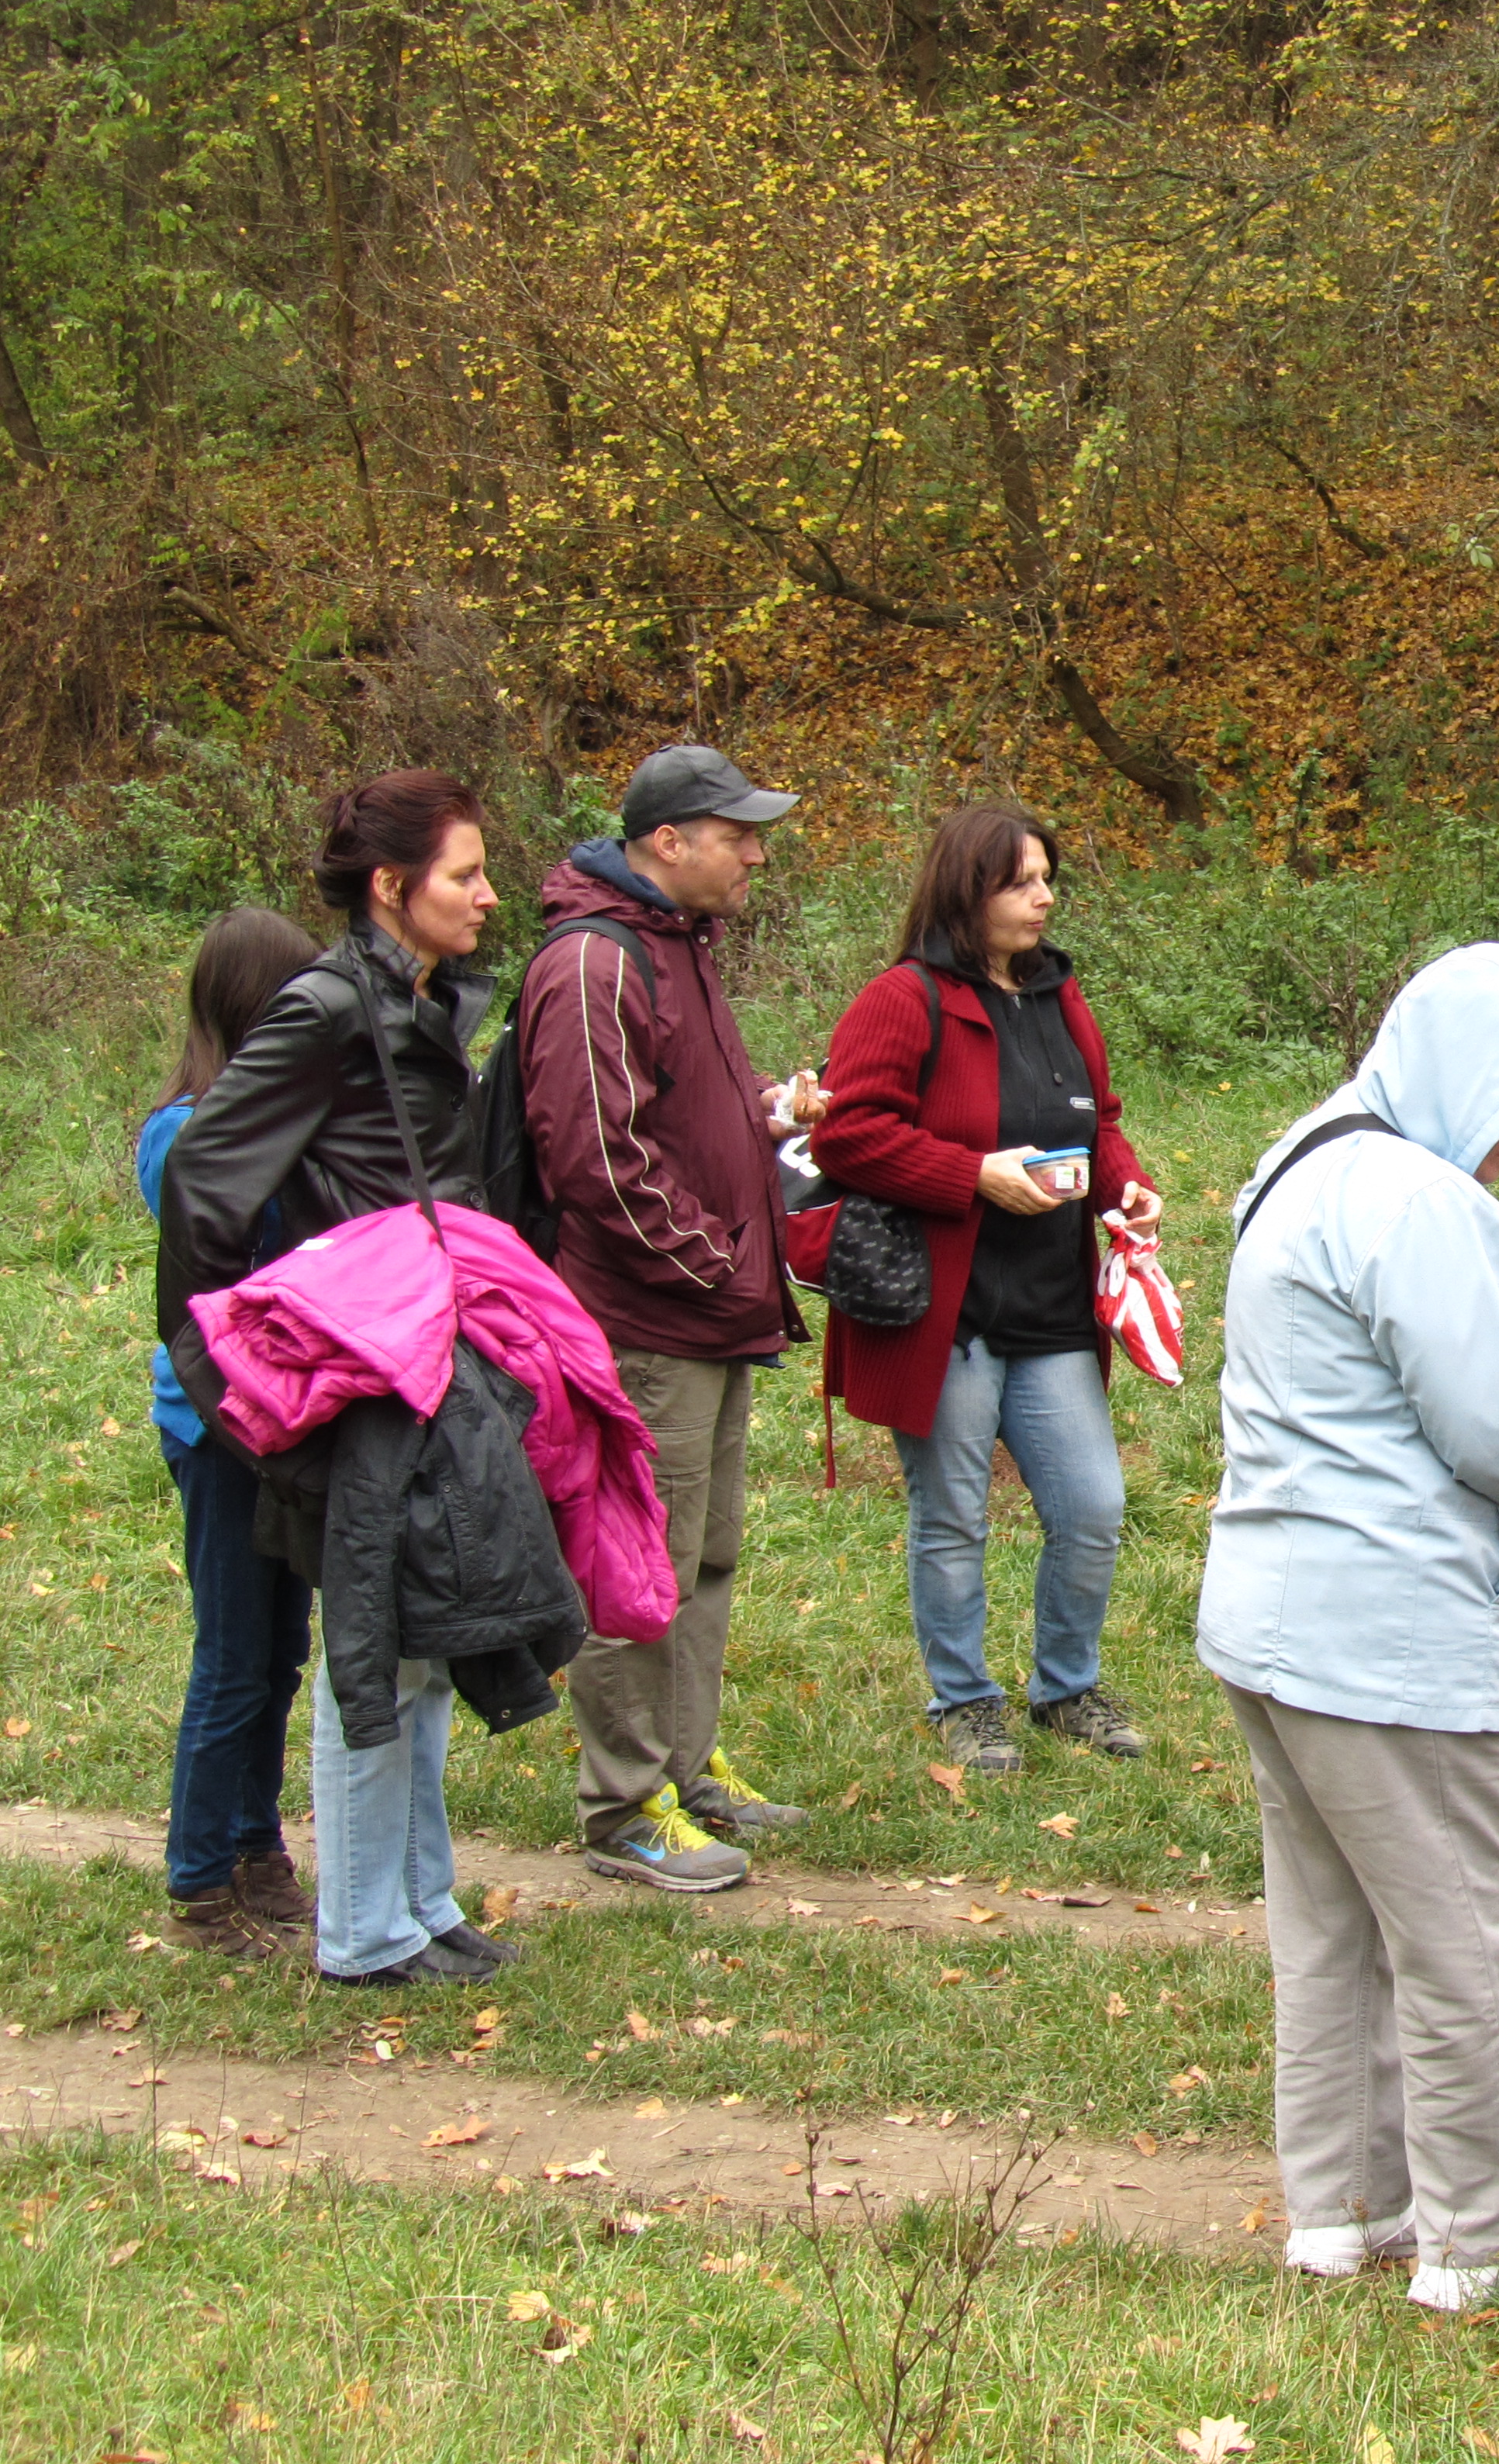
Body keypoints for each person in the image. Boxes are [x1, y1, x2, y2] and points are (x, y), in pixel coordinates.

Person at [1197, 943, 1499, 2315]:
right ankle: (1476, 2245)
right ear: (1470, 1071)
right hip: (1384, 1644)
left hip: (1270, 1622)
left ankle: (1344, 2213)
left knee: (1330, 1934)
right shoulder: (1423, 1203)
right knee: (1460, 1951)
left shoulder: (1299, 1161)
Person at [155, 770, 524, 1989]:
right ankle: (365, 1934)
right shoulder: (323, 1009)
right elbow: (204, 1184)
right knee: (373, 1643)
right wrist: (250, 1371)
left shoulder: (418, 1002)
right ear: (392, 886)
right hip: (368, 1375)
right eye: (465, 874)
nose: (487, 895)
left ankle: (421, 1903)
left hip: (438, 1361)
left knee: (426, 1636)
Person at [811, 805, 1165, 1774]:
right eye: (1021, 882)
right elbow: (845, 1134)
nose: (1044, 897)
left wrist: (1125, 1186)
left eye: (1048, 878)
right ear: (968, 891)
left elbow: (1099, 1120)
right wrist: (971, 1175)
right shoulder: (904, 998)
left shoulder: (1059, 995)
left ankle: (1067, 1688)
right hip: (944, 1310)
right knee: (953, 1516)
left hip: (1050, 1307)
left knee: (1092, 1508)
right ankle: (963, 1701)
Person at [520, 745, 816, 1893]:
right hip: (651, 1324)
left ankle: (685, 1770)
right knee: (638, 1570)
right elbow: (597, 1157)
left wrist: (763, 1116)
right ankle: (625, 1805)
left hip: (712, 1314)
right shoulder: (597, 960)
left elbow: (672, 1109)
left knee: (703, 1556)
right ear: (667, 841)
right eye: (737, 836)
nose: (755, 856)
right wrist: (716, 1261)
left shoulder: (675, 945)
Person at [136, 905, 322, 1957]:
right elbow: (228, 1269)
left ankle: (258, 1848)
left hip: (286, 1419)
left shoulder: (268, 1122)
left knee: (280, 1652)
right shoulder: (186, 1133)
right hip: (217, 1426)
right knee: (234, 1657)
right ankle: (201, 1881)